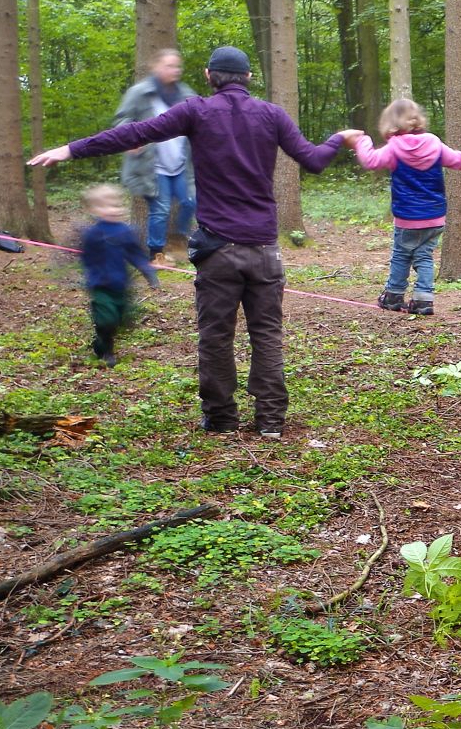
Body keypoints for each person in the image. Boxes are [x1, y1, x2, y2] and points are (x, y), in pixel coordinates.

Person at [30, 46, 359, 438]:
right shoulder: (271, 114)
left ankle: (221, 419)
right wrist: (338, 138)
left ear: (208, 76)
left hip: (219, 252)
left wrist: (69, 149)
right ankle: (270, 421)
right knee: (267, 336)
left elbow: (135, 132)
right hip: (263, 252)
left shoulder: (197, 110)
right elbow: (315, 160)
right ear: (248, 78)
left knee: (216, 337)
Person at [354, 97, 461, 316]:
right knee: (424, 256)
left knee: (401, 255)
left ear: (390, 123)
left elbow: (370, 160)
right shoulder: (433, 143)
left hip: (407, 218)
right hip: (434, 216)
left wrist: (361, 140)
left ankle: (393, 296)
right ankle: (424, 300)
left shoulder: (394, 148)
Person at [115, 49, 199, 262]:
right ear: (156, 67)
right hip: (152, 166)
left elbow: (200, 120)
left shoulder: (186, 94)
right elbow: (122, 119)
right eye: (169, 66)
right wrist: (129, 140)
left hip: (181, 164)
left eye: (177, 66)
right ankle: (156, 253)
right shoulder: (140, 93)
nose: (175, 70)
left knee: (191, 201)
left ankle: (178, 240)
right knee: (160, 209)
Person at [76, 184, 161, 367]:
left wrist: (148, 272)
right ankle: (105, 349)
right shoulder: (93, 233)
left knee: (122, 319)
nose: (113, 210)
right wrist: (92, 273)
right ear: (95, 210)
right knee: (106, 319)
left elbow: (135, 254)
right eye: (106, 206)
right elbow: (86, 257)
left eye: (116, 205)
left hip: (121, 284)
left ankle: (104, 339)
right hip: (101, 285)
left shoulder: (125, 231)